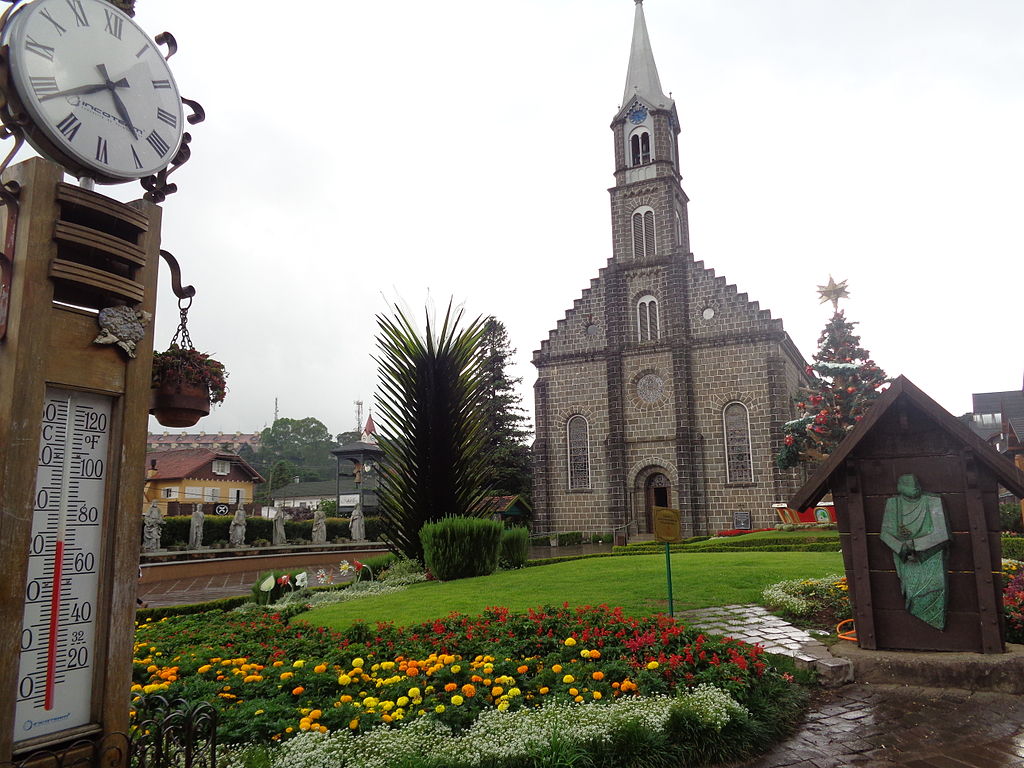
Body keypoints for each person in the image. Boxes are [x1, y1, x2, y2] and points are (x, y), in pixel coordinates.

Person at [879, 473, 951, 629]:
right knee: (912, 595)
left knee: (934, 590)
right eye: (907, 484)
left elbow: (942, 534)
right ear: (899, 487)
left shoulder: (933, 501)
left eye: (916, 483)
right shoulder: (894, 504)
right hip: (906, 560)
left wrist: (913, 544)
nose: (914, 487)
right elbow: (885, 533)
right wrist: (901, 547)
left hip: (931, 558)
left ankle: (934, 624)